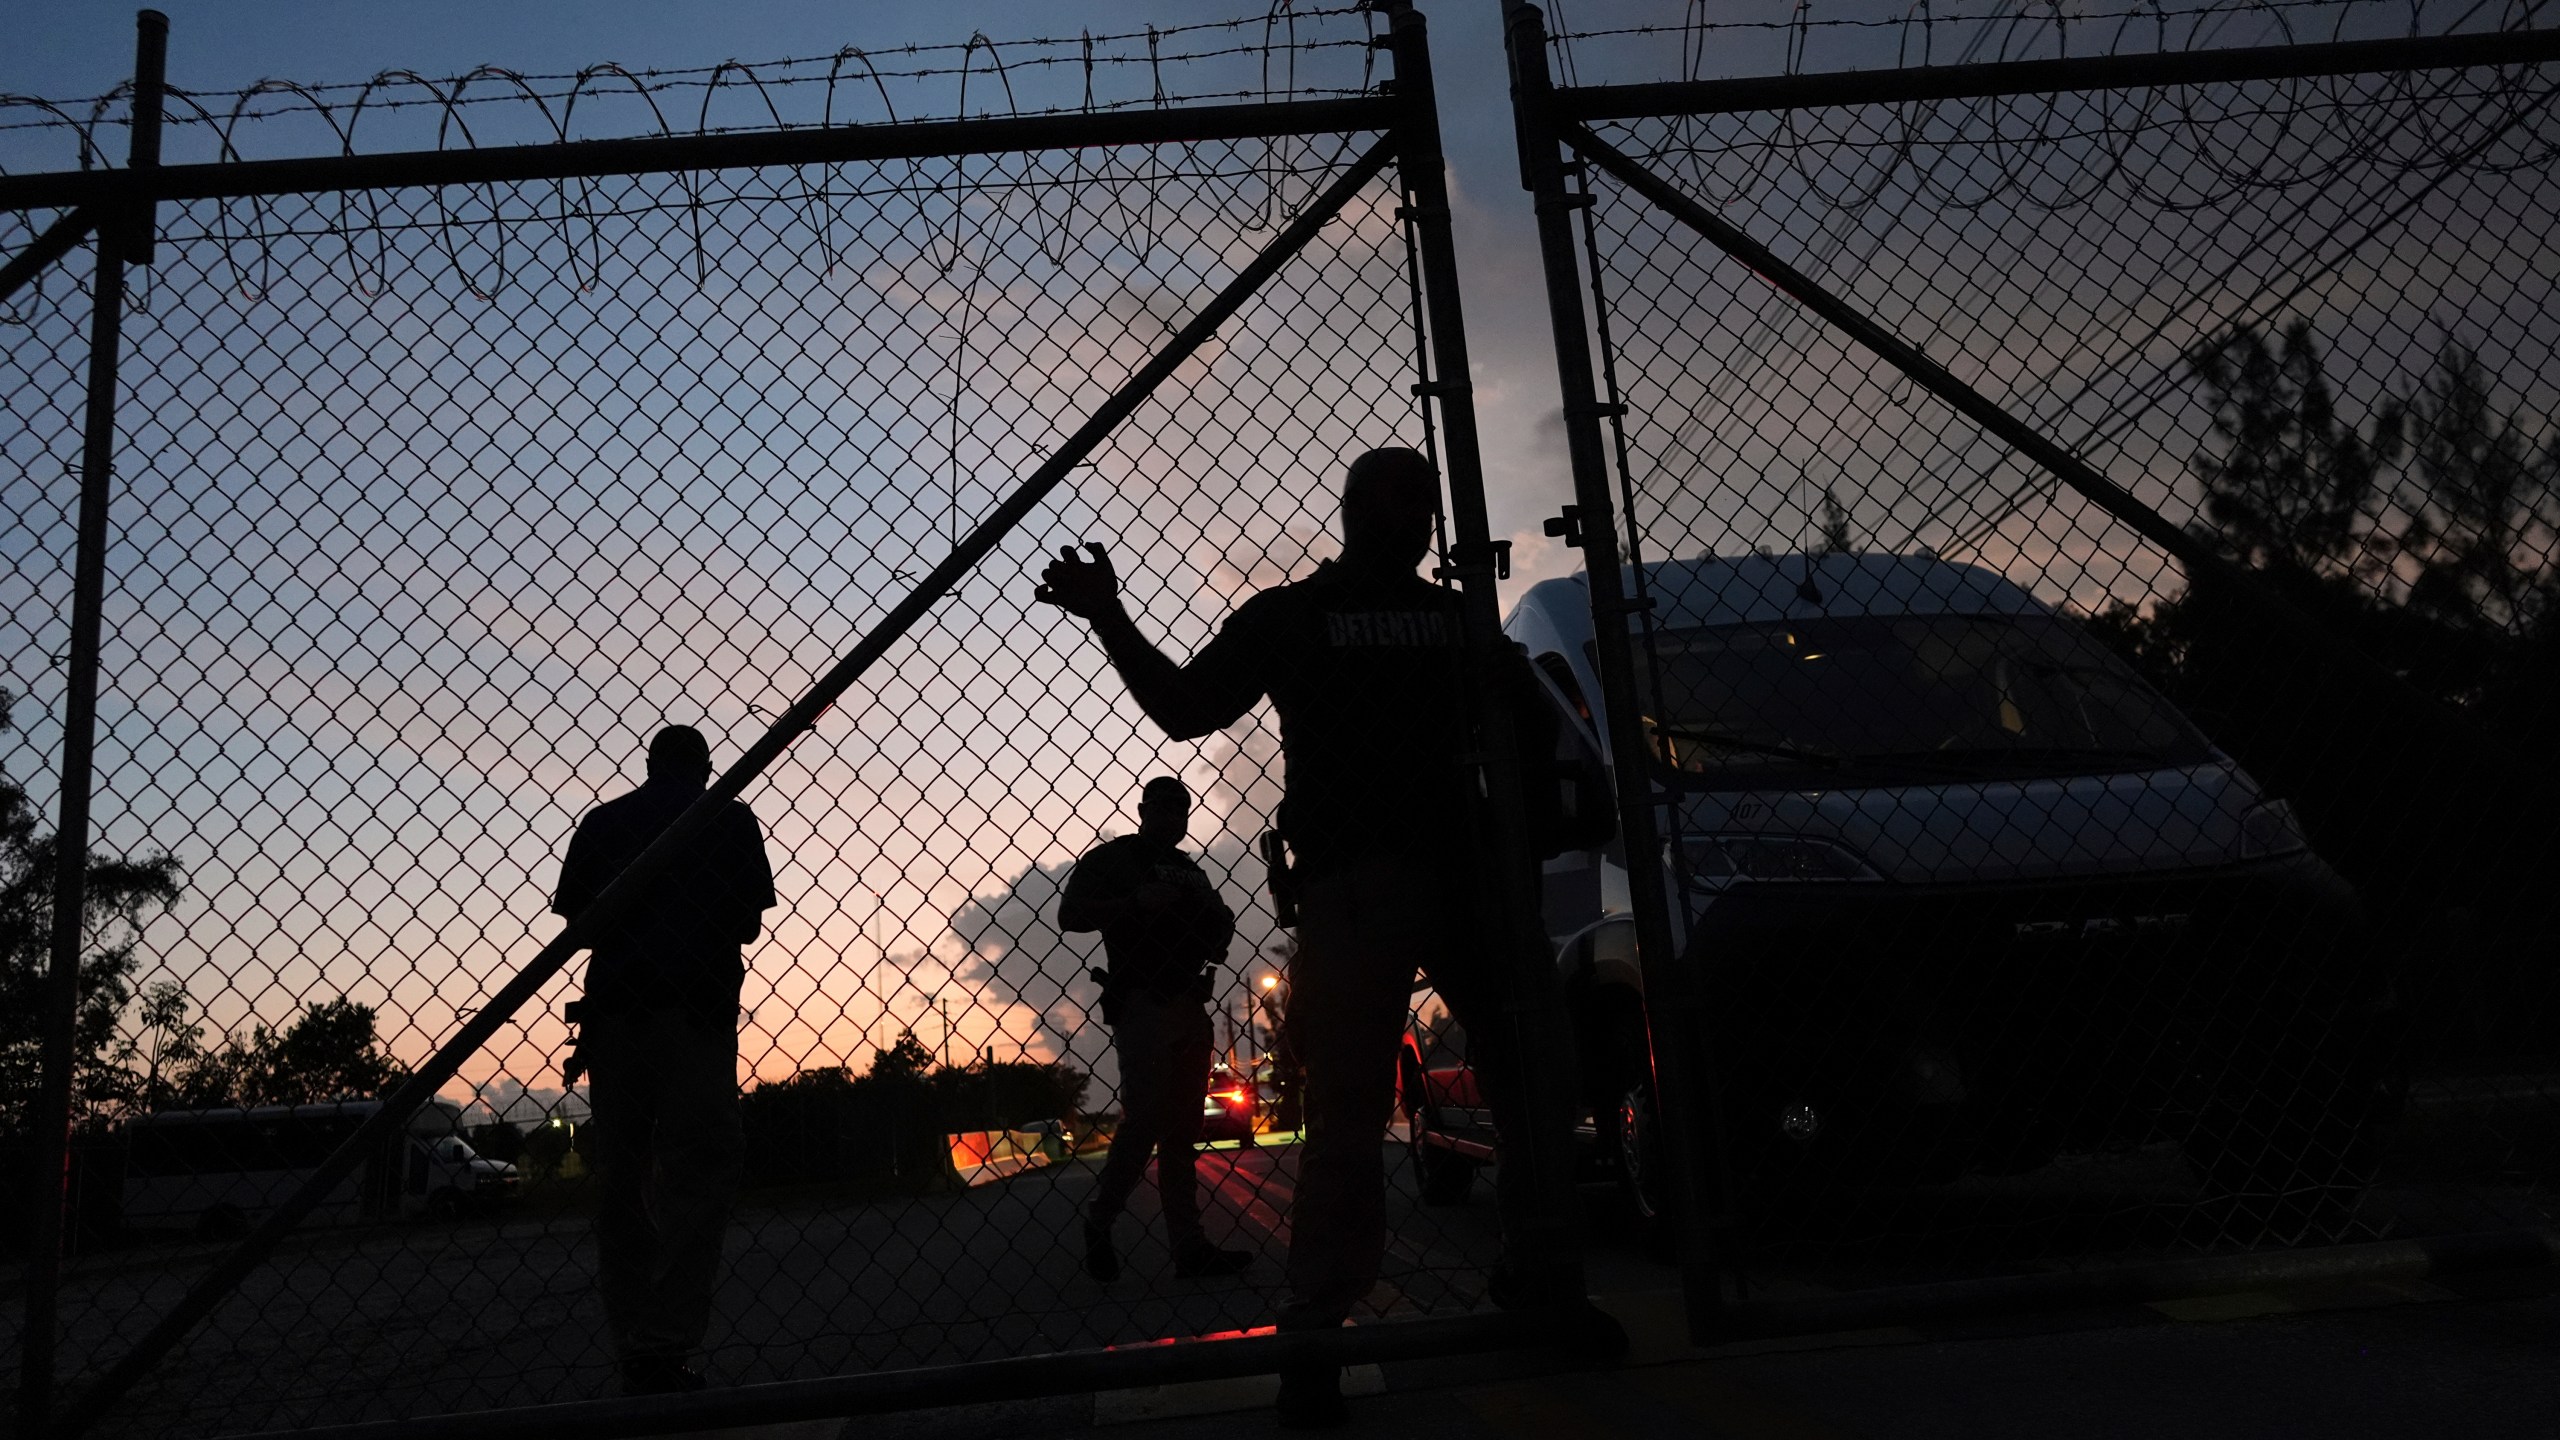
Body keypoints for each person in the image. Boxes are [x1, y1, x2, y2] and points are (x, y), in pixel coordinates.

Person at [1034, 447, 1601, 1428]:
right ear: (1372, 515)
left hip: (1414, 885)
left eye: (1417, 501)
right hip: (1396, 883)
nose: (1411, 517)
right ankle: (1342, 1325)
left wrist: (1110, 616)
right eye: (1402, 502)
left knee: (1480, 1095)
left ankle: (1383, 1318)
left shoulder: (1363, 619)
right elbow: (1186, 708)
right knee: (1421, 1103)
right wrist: (1108, 617)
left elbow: (1185, 708)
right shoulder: (1394, 621)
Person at [553, 724, 777, 1396]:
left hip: (616, 1016)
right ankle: (664, 1340)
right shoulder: (729, 817)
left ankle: (633, 1344)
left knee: (623, 1179)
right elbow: (746, 923)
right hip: (696, 1013)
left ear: (649, 765)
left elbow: (579, 923)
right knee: (700, 1169)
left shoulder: (602, 821)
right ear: (706, 769)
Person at [1059, 775, 1255, 1283]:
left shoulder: (1191, 870)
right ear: (1143, 809)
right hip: (1142, 998)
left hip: (1189, 1000)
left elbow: (1216, 926)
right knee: (1144, 1120)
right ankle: (1100, 1223)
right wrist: (1134, 904)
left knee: (1181, 1133)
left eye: (1181, 807)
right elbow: (1070, 914)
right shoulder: (1115, 859)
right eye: (1163, 806)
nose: (1172, 815)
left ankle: (1189, 1248)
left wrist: (1218, 930)